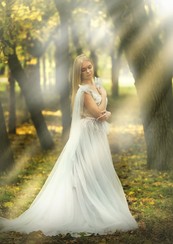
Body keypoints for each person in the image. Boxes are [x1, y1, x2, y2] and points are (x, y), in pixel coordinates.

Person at [0, 54, 138, 237]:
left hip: (95, 137)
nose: (88, 71)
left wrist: (105, 108)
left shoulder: (94, 86)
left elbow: (101, 114)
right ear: (78, 74)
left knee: (95, 173)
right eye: (83, 70)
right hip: (86, 137)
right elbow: (98, 114)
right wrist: (104, 97)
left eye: (89, 67)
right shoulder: (83, 91)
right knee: (83, 172)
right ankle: (80, 211)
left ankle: (93, 207)